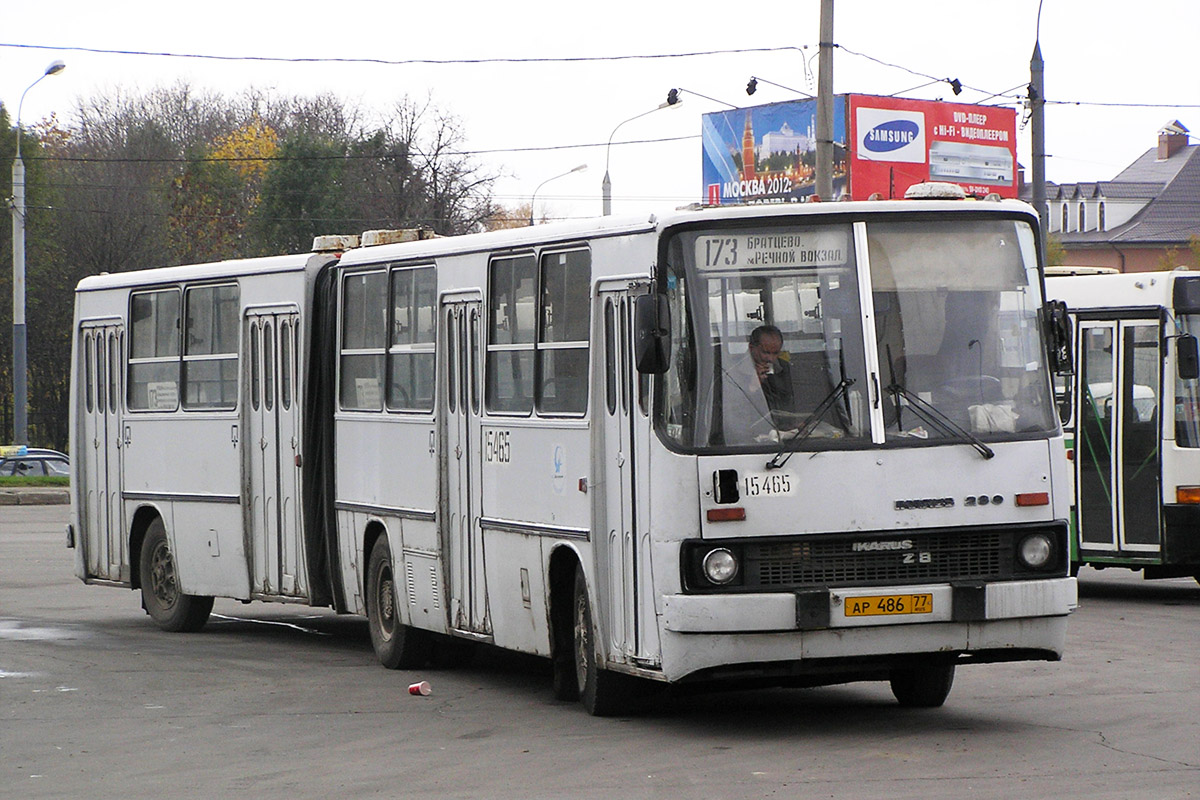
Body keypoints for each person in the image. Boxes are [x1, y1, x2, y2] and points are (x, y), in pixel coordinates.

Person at [720, 325, 797, 443]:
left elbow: (788, 403)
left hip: (781, 434)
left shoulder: (783, 368)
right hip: (749, 439)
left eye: (775, 353)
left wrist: (794, 423)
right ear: (751, 348)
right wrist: (752, 388)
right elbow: (732, 417)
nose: (770, 359)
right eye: (766, 353)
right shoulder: (731, 372)